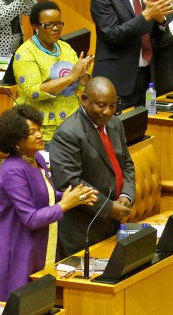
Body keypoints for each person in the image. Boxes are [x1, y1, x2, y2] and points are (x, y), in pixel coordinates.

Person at [0, 105, 97, 301]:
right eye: (32, 132)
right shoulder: (13, 170)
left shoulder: (35, 157)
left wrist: (72, 196)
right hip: (16, 250)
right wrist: (65, 205)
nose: (39, 135)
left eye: (39, 129)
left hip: (37, 243)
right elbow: (30, 218)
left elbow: (43, 193)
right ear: (16, 140)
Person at [50, 76, 136, 258]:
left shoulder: (115, 124)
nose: (107, 112)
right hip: (83, 228)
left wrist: (126, 195)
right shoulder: (68, 133)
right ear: (84, 100)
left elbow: (126, 163)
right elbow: (70, 182)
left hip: (114, 222)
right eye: (101, 105)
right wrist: (108, 207)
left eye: (112, 106)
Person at [13, 1, 94, 148]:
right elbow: (33, 92)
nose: (56, 28)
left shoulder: (65, 47)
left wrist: (82, 75)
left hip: (73, 125)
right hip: (43, 131)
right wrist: (71, 77)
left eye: (59, 23)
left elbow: (81, 85)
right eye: (49, 25)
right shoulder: (25, 54)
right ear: (36, 26)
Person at [91, 0, 173, 108]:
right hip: (117, 81)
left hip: (148, 80)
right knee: (118, 124)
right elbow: (112, 35)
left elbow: (162, 40)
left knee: (148, 122)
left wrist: (160, 21)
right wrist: (145, 16)